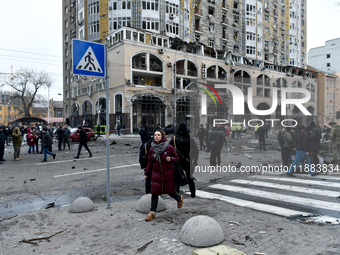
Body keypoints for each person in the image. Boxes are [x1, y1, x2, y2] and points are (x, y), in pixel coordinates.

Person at [144, 130, 183, 221]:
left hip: (167, 174)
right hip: (156, 174)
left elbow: (177, 157)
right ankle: (152, 212)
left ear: (162, 136)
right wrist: (146, 173)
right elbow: (149, 163)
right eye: (155, 135)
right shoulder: (151, 149)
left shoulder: (169, 147)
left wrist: (171, 159)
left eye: (158, 135)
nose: (156, 136)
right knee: (154, 193)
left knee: (170, 191)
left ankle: (179, 198)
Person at [170, 122, 199, 198]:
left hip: (177, 161)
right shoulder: (190, 138)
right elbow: (196, 151)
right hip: (188, 161)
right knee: (190, 177)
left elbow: (169, 149)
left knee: (177, 178)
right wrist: (195, 161)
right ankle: (193, 194)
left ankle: (177, 194)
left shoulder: (174, 138)